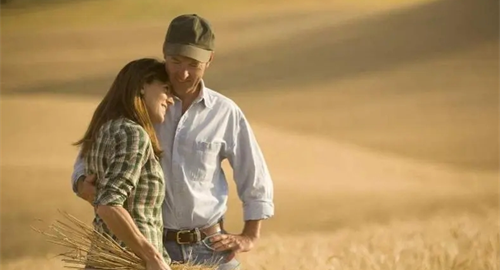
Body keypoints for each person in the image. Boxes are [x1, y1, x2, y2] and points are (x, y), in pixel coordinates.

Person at [72, 14, 275, 270]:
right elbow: (85, 158)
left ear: (209, 60)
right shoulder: (142, 108)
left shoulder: (225, 112)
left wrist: (250, 235)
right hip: (151, 245)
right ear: (164, 54)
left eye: (193, 63)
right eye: (175, 61)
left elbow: (253, 174)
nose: (183, 73)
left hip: (209, 248)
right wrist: (81, 184)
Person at [73, 58, 174, 270]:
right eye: (166, 89)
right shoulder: (132, 133)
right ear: (142, 86)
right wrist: (152, 257)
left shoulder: (105, 129)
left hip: (107, 258)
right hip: (131, 263)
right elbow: (109, 204)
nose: (170, 100)